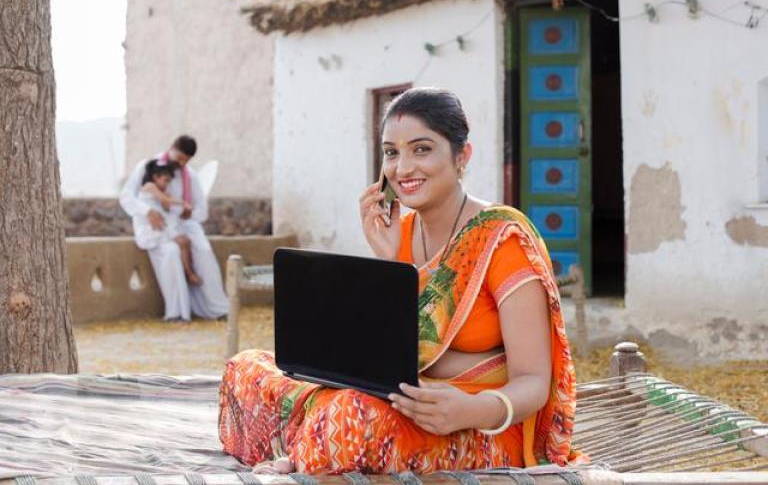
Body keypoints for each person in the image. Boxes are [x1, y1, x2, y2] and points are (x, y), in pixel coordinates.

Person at [218, 88, 582, 473]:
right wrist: (389, 262)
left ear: (462, 157)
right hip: (401, 401)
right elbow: (389, 357)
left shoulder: (502, 238)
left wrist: (470, 409)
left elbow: (534, 382)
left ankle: (307, 451)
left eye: (421, 149)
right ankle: (313, 447)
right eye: (391, 152)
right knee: (246, 369)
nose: (403, 168)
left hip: (480, 424)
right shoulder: (401, 234)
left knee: (349, 416)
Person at [120, 135, 228, 322]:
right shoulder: (146, 167)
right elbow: (127, 197)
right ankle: (177, 313)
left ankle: (216, 310)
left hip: (182, 225)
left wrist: (188, 213)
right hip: (155, 227)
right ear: (171, 148)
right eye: (180, 158)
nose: (182, 163)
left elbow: (201, 210)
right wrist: (147, 212)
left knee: (203, 250)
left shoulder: (190, 175)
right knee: (170, 253)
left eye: (186, 160)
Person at [134, 159, 202, 286]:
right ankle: (189, 274)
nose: (166, 184)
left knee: (186, 241)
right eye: (165, 180)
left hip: (162, 225)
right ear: (155, 177)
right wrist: (183, 202)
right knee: (182, 241)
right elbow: (166, 200)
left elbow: (166, 208)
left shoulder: (160, 191)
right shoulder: (149, 186)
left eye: (168, 181)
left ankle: (189, 271)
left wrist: (168, 200)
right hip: (152, 229)